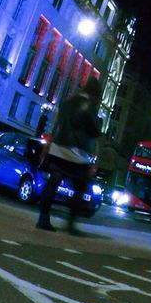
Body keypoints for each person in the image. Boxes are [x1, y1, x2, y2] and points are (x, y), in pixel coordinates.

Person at [36, 76, 102, 234]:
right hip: (76, 153)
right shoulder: (89, 106)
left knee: (53, 184)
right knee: (80, 187)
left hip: (58, 148)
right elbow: (95, 130)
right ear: (94, 94)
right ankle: (71, 223)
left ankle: (43, 218)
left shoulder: (67, 102)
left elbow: (56, 124)